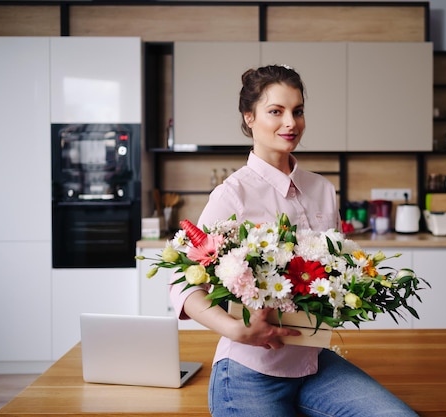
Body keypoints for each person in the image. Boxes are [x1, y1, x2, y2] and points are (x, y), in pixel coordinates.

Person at [170, 65, 419, 417]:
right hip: (249, 371)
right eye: (276, 111)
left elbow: (337, 270)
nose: (291, 123)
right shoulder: (232, 195)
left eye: (298, 111)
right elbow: (182, 286)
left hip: (313, 364)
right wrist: (236, 331)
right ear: (249, 117)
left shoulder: (323, 189)